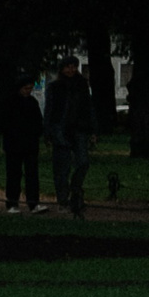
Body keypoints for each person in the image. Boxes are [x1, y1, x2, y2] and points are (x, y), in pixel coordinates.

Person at [43, 56, 94, 218]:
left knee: (83, 163)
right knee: (61, 169)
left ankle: (76, 192)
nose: (71, 70)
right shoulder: (55, 87)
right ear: (62, 69)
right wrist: (49, 132)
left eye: (73, 66)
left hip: (79, 129)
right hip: (60, 130)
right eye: (68, 67)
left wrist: (92, 129)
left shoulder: (82, 85)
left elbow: (88, 107)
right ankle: (63, 201)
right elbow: (49, 110)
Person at [0, 78, 44, 213]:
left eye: (30, 89)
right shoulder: (10, 103)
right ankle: (12, 202)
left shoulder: (32, 102)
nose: (28, 91)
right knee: (14, 174)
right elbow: (4, 123)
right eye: (26, 89)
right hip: (14, 144)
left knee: (32, 174)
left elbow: (38, 122)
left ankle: (33, 202)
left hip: (29, 144)